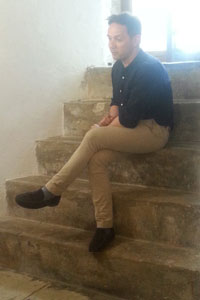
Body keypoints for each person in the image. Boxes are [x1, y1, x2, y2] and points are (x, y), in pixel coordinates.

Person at [15, 13, 173, 252]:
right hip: (134, 125)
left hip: (154, 130)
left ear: (136, 39)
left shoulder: (149, 68)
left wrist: (102, 129)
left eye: (118, 38)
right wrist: (108, 119)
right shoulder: (119, 66)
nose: (112, 44)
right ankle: (105, 226)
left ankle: (52, 191)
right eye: (109, 38)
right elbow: (117, 102)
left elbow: (129, 120)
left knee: (94, 136)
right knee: (96, 160)